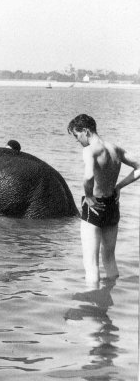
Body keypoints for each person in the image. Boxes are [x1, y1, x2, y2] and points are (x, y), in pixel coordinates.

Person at [67, 114, 140, 289]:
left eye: (77, 136)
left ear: (85, 131)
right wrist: (119, 186)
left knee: (91, 263)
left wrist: (89, 196)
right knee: (109, 258)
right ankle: (110, 296)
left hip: (95, 206)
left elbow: (88, 177)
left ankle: (94, 305)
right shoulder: (115, 149)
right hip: (112, 205)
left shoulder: (90, 150)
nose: (78, 141)